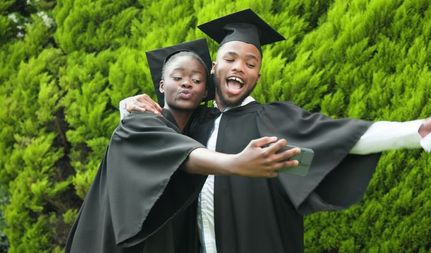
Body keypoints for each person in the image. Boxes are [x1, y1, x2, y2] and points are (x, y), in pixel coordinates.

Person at [120, 9, 431, 253]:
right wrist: (127, 107)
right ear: (214, 67)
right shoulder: (195, 122)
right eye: (230, 58)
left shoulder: (273, 121)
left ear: (258, 74)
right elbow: (147, 152)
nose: (239, 67)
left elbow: (340, 139)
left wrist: (415, 130)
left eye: (250, 62)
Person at [65, 39, 300, 253]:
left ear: (205, 92)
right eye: (177, 78)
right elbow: (180, 154)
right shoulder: (138, 123)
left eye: (197, 80)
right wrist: (236, 163)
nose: (187, 84)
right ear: (161, 85)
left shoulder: (200, 130)